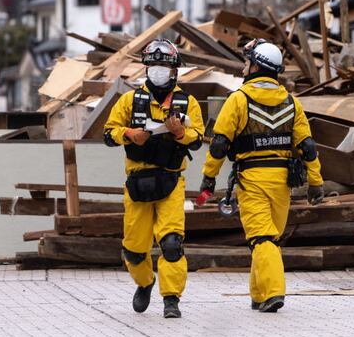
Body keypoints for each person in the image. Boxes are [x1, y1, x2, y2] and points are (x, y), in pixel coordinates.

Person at [199, 39, 324, 313]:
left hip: (252, 179)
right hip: (283, 182)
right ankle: (258, 294)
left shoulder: (238, 100)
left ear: (256, 65)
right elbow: (308, 147)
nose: (244, 67)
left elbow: (219, 144)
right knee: (269, 239)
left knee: (261, 238)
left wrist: (209, 178)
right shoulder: (292, 104)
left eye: (247, 61)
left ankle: (273, 293)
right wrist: (316, 182)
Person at [103, 38, 204, 318]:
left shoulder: (187, 102)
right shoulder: (130, 100)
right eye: (153, 64)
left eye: (164, 65)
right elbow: (108, 133)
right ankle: (145, 282)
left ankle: (171, 299)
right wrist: (129, 134)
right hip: (138, 183)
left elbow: (198, 140)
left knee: (171, 243)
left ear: (174, 70)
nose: (158, 69)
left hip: (171, 181)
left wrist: (181, 133)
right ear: (146, 68)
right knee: (134, 250)